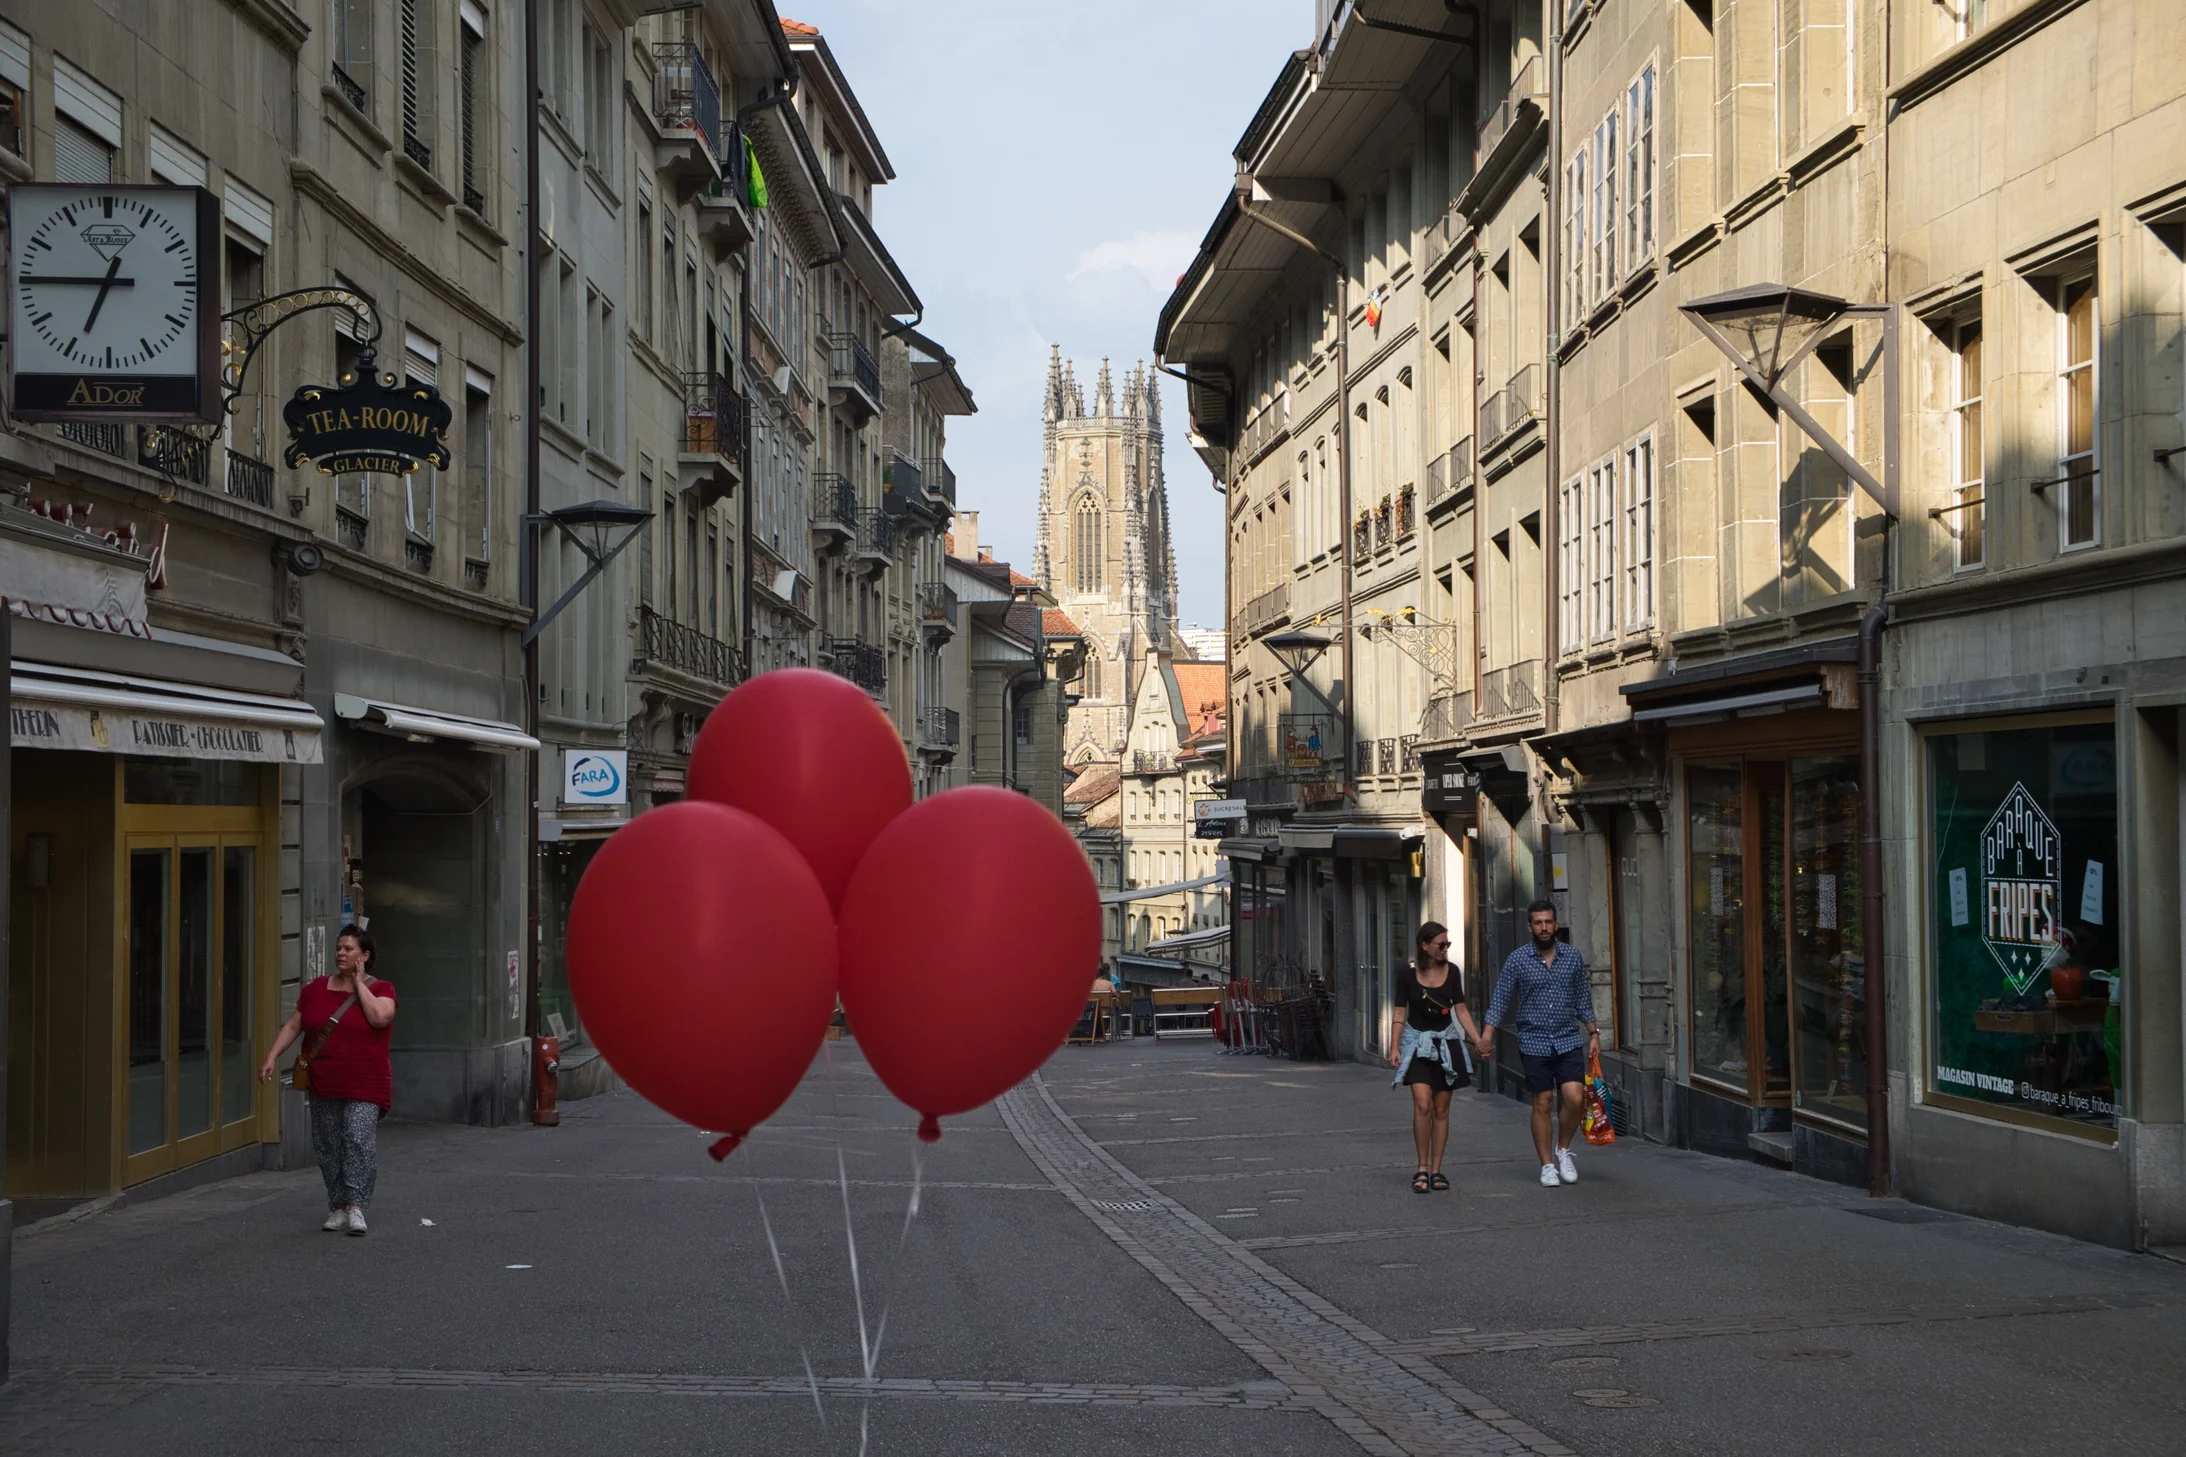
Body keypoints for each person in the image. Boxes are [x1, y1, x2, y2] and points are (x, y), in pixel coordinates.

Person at [261, 925, 397, 1235]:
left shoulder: (382, 989)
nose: (340, 953)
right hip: (325, 1081)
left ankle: (356, 1206)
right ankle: (337, 1205)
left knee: (357, 1139)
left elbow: (379, 1018)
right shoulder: (315, 989)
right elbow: (295, 1026)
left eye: (348, 949)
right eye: (338, 948)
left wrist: (359, 982)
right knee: (328, 1145)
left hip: (366, 1083)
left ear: (365, 956)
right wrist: (272, 1056)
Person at [1477, 900, 1598, 1189]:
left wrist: (1593, 1033)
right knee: (1542, 1102)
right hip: (1534, 1041)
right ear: (1530, 926)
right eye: (1538, 923)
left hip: (1568, 1037)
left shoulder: (1571, 957)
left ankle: (1563, 1150)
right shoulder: (1518, 960)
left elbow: (1582, 997)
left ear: (1556, 924)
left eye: (1548, 922)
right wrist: (1487, 1035)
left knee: (1574, 1098)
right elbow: (1501, 999)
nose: (1544, 927)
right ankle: (1546, 1165)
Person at [1388, 921, 1483, 1193]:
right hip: (1418, 1045)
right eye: (1441, 945)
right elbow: (1398, 1013)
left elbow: (1461, 1009)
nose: (1445, 949)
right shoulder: (1407, 976)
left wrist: (1477, 1040)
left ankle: (1437, 1170)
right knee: (1423, 1105)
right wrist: (1394, 1047)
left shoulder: (1452, 972)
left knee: (1442, 1110)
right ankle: (1422, 1168)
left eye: (1447, 944)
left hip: (1446, 1045)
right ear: (1425, 945)